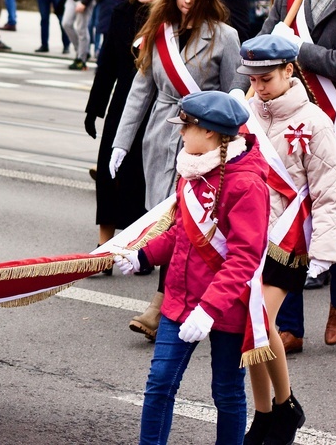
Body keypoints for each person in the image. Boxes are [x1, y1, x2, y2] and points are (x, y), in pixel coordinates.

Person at [115, 91, 270, 445]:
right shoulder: (193, 167)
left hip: (225, 306)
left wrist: (209, 309)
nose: (181, 133)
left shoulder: (246, 183)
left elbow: (245, 256)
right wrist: (143, 255)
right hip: (180, 299)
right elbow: (181, 234)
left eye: (186, 126)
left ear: (211, 133)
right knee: (159, 386)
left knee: (227, 392)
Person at [110, 0, 248, 341]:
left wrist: (230, 149)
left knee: (186, 223)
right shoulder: (160, 32)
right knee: (163, 221)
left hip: (203, 143)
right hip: (160, 135)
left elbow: (233, 100)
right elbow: (141, 90)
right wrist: (122, 142)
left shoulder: (225, 36)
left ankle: (162, 306)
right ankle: (178, 300)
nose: (186, 1)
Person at [236, 34, 336, 444]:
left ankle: (285, 407)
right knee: (251, 326)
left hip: (288, 240)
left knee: (259, 320)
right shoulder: (245, 112)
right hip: (248, 236)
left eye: (267, 77)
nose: (260, 86)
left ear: (288, 70)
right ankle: (267, 412)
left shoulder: (314, 121)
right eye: (254, 78)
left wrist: (323, 254)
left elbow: (329, 192)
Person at [259, 0, 336, 355]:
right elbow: (262, 43)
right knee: (286, 217)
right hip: (292, 114)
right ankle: (290, 325)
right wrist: (268, 44)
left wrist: (294, 48)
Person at [84, 0, 169, 268]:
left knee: (142, 177)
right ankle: (103, 245)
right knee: (108, 172)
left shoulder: (170, 17)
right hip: (122, 102)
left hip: (156, 104)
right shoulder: (121, 12)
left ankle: (142, 249)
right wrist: (94, 108)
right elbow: (106, 64)